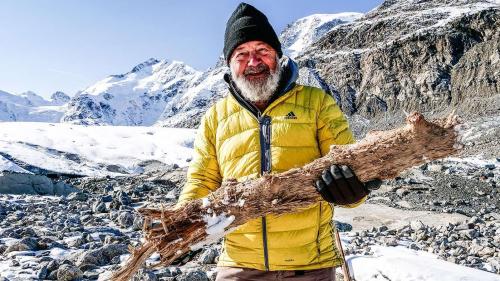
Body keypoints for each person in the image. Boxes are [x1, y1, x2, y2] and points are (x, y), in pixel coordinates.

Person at [177, 3, 380, 280]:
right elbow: (201, 180)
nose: (253, 61)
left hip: (309, 265)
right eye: (242, 54)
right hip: (240, 265)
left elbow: (350, 166)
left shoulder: (316, 102)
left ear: (278, 56)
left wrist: (354, 190)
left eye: (262, 50)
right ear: (229, 62)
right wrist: (181, 226)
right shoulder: (216, 117)